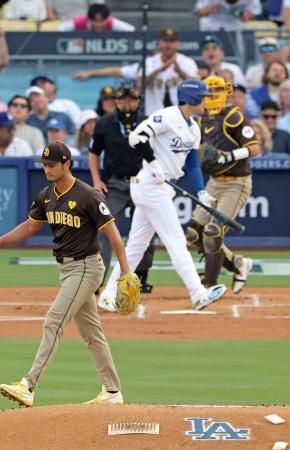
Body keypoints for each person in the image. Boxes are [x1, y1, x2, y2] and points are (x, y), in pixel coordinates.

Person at [0, 142, 131, 406]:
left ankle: (28, 385)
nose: (47, 169)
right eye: (44, 165)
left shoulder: (88, 195)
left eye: (52, 165)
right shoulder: (46, 195)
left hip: (86, 267)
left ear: (67, 164)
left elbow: (113, 233)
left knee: (53, 321)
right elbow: (29, 227)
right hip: (67, 269)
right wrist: (1, 240)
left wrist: (125, 271)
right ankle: (112, 392)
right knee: (92, 333)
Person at [99, 80, 227, 311]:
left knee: (136, 246)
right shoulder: (167, 116)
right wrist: (153, 162)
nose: (207, 101)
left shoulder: (194, 128)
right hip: (150, 185)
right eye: (203, 97)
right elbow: (136, 137)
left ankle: (108, 294)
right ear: (192, 99)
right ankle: (198, 294)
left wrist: (201, 191)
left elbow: (192, 164)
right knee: (176, 241)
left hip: (161, 187)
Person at [185, 75, 259, 294]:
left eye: (218, 90)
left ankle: (209, 285)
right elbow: (195, 152)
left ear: (226, 91)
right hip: (213, 183)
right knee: (192, 235)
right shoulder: (200, 120)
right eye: (209, 90)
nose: (213, 94)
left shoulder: (234, 116)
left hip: (237, 183)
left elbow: (254, 148)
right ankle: (237, 263)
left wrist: (228, 156)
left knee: (213, 232)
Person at [89, 82, 157, 312]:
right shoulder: (105, 123)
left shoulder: (149, 122)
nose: (127, 105)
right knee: (105, 229)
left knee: (147, 230)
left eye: (132, 100)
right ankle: (99, 280)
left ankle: (140, 277)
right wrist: (97, 180)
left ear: (139, 102)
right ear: (115, 102)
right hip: (115, 183)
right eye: (122, 100)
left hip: (144, 182)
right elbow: (93, 153)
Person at [74, 28, 198, 115]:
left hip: (181, 115)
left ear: (177, 44)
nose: (168, 45)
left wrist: (181, 72)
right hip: (154, 116)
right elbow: (138, 83)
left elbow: (197, 85)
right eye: (165, 41)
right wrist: (158, 71)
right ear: (160, 42)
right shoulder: (149, 62)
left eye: (171, 41)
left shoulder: (186, 62)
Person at [59, 3, 135, 32]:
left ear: (106, 19)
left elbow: (131, 29)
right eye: (95, 21)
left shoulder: (111, 22)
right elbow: (62, 28)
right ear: (89, 19)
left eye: (101, 21)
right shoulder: (80, 21)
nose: (98, 24)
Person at [195, 0, 262, 31]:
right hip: (211, 27)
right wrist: (209, 9)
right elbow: (199, 11)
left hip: (236, 29)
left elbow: (254, 13)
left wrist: (246, 15)